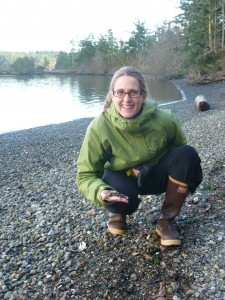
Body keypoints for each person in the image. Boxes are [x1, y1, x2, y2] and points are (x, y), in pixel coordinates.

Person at [76, 66, 202, 246]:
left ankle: (166, 221)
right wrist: (100, 191)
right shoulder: (99, 127)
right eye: (120, 92)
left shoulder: (164, 119)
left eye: (133, 92)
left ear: (143, 95)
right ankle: (118, 212)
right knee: (119, 196)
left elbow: (179, 152)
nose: (126, 99)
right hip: (121, 180)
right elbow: (85, 175)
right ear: (112, 96)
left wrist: (149, 165)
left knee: (188, 154)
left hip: (155, 177)